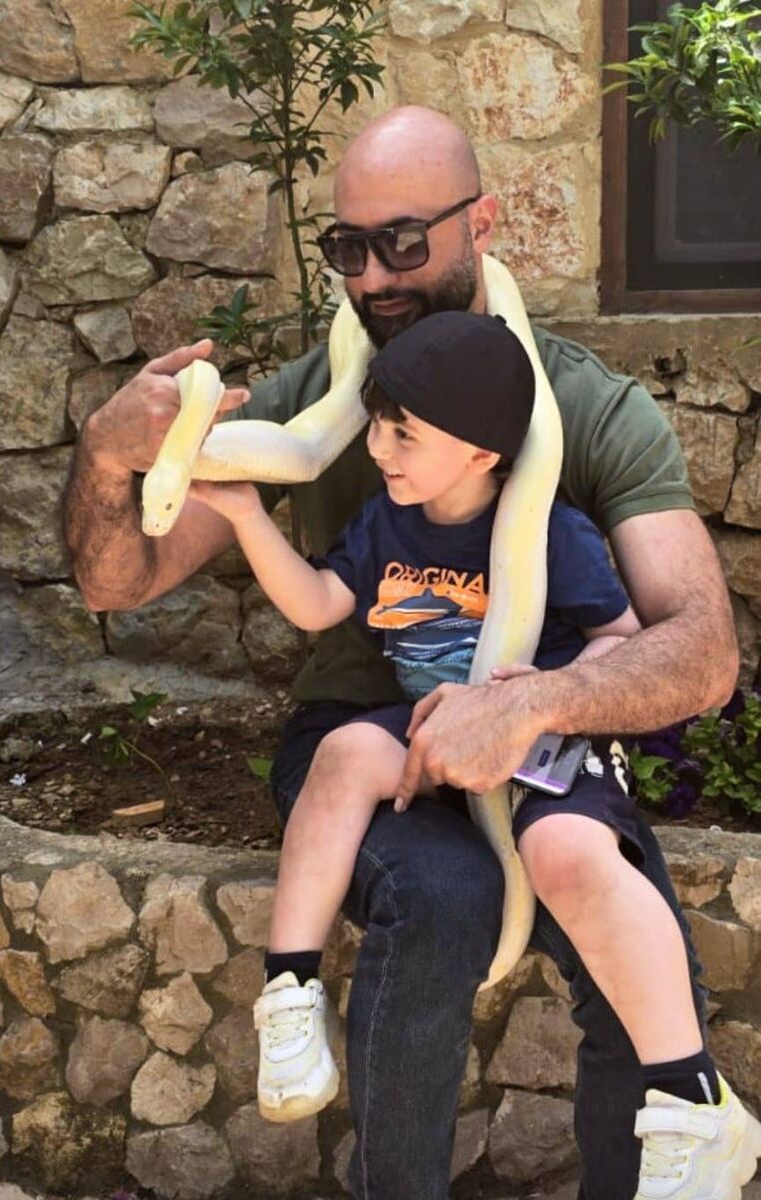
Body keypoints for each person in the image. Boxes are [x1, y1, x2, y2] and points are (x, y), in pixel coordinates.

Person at [64, 105, 751, 1200]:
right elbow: (120, 580)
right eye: (349, 248)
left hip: (540, 742)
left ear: (481, 223)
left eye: (402, 242)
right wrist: (110, 459)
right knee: (440, 901)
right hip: (365, 744)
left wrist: (526, 707)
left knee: (634, 955)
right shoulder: (319, 402)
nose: (373, 276)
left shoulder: (584, 407)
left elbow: (701, 654)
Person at [189, 307, 650, 1123]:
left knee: (582, 872)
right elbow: (320, 603)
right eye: (375, 426)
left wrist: (542, 705)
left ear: (480, 453)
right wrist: (245, 515)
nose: (376, 450)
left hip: (528, 749)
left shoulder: (548, 531)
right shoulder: (387, 522)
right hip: (431, 740)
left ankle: (679, 1091)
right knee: (339, 754)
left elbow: (621, 637)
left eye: (403, 436)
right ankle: (290, 991)